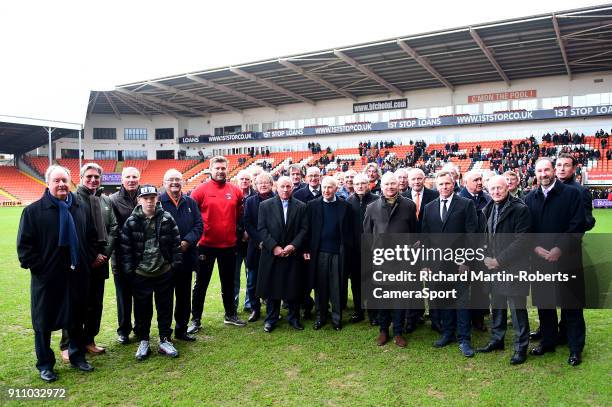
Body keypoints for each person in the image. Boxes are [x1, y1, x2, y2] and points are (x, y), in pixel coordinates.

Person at [17, 165, 96, 382]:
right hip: (47, 279)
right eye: (57, 181)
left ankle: (77, 356)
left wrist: (85, 263)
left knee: (76, 318)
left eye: (65, 180)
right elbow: (25, 248)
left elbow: (89, 237)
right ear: (48, 183)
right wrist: (42, 269)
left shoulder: (79, 207)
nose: (61, 184)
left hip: (76, 276)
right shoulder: (33, 212)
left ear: (71, 182)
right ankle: (45, 365)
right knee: (43, 323)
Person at [525, 157, 586, 366]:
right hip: (540, 260)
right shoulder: (529, 197)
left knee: (572, 306)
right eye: (539, 171)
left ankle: (575, 348)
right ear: (535, 173)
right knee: (545, 304)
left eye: (547, 170)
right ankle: (548, 342)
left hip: (568, 259)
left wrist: (559, 248)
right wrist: (535, 248)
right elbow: (526, 230)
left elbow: (578, 225)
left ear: (553, 171)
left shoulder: (572, 194)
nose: (544, 174)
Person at [59, 163, 118, 362]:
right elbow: (74, 233)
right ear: (81, 177)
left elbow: (113, 229)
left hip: (100, 263)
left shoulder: (105, 201)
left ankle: (89, 340)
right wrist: (91, 256)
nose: (93, 180)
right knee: (76, 305)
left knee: (95, 304)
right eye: (89, 176)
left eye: (96, 177)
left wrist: (105, 254)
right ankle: (68, 344)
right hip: (82, 262)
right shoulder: (73, 200)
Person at [120, 185, 182, 360]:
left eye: (152, 198)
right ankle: (144, 340)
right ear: (139, 200)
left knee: (165, 307)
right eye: (145, 198)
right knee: (142, 310)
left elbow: (175, 244)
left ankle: (164, 339)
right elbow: (126, 249)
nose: (149, 201)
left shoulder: (167, 218)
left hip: (164, 272)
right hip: (142, 274)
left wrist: (174, 266)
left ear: (157, 199)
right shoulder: (132, 221)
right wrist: (130, 272)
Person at [421, 171, 478, 357]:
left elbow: (472, 235)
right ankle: (448, 333)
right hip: (437, 264)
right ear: (436, 186)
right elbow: (425, 238)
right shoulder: (429, 207)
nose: (444, 187)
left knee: (461, 302)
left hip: (459, 263)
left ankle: (464, 339)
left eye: (447, 183)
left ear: (453, 184)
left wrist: (466, 260)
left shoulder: (466, 204)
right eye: (441, 184)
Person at [477, 175, 531, 365]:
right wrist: (485, 256)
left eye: (499, 188)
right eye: (492, 189)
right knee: (497, 307)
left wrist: (498, 261)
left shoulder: (519, 209)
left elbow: (522, 241)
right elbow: (485, 238)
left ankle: (520, 348)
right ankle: (497, 340)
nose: (496, 192)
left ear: (507, 187)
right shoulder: (488, 208)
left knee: (517, 311)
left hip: (513, 268)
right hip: (493, 268)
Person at [188, 156, 246, 333]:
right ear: (210, 169)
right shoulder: (199, 191)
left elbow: (238, 217)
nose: (220, 171)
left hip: (229, 245)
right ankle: (195, 319)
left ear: (227, 169)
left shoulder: (236, 191)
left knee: (228, 283)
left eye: (223, 168)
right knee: (201, 284)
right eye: (217, 168)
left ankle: (230, 315)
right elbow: (192, 217)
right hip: (205, 245)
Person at [363, 172, 417, 348]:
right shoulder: (371, 207)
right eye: (387, 184)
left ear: (398, 185)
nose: (390, 187)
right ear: (381, 185)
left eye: (393, 183)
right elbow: (367, 235)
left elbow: (415, 232)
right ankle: (383, 330)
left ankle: (399, 332)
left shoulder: (409, 205)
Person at [256, 176, 308, 332]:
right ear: (276, 187)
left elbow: (304, 229)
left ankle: (294, 318)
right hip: (272, 254)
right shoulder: (264, 206)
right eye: (282, 187)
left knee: (293, 286)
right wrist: (274, 247)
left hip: (292, 253)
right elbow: (262, 229)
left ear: (292, 188)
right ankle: (271, 319)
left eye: (288, 186)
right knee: (273, 287)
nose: (285, 190)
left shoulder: (301, 206)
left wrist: (293, 245)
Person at [304, 176, 353, 331]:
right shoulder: (312, 205)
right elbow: (307, 230)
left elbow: (348, 232)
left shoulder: (345, 206)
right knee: (320, 287)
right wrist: (306, 250)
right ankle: (321, 317)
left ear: (336, 189)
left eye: (330, 187)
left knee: (337, 287)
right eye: (324, 187)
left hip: (338, 253)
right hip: (319, 253)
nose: (326, 190)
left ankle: (336, 318)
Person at [159, 169, 203, 342]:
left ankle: (181, 329)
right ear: (164, 182)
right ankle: (165, 333)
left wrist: (186, 242)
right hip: (166, 260)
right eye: (171, 180)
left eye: (178, 179)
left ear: (183, 182)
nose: (175, 183)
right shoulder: (158, 203)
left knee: (184, 296)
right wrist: (172, 246)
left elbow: (199, 226)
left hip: (186, 257)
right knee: (166, 298)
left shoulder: (190, 202)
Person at [402, 167, 439, 332]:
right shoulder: (401, 198)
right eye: (413, 179)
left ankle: (435, 317)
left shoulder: (435, 196)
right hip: (409, 249)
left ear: (424, 179)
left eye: (419, 179)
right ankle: (413, 317)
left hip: (429, 247)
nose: (416, 182)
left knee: (432, 283)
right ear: (408, 181)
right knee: (411, 284)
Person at [110, 166, 141, 344]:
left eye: (134, 176)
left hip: (141, 257)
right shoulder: (113, 200)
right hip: (121, 257)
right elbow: (113, 229)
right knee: (123, 296)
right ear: (122, 180)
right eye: (128, 176)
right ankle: (123, 330)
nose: (131, 180)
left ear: (139, 178)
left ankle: (139, 327)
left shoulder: (145, 196)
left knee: (141, 295)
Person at [458, 170, 491, 332]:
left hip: (482, 252)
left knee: (480, 287)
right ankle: (462, 320)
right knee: (462, 288)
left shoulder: (487, 199)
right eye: (476, 180)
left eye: (481, 179)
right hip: (463, 252)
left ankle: (478, 318)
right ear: (465, 182)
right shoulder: (458, 199)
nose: (480, 182)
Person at [346, 173, 379, 324]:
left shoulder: (376, 200)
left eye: (363, 184)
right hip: (353, 251)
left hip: (371, 249)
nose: (360, 186)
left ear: (368, 185)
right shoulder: (348, 201)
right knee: (356, 281)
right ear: (353, 185)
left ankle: (373, 313)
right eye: (357, 184)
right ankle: (359, 311)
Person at [244, 172, 276, 322]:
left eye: (266, 182)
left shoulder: (278, 199)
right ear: (255, 185)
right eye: (260, 183)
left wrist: (269, 243)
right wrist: (260, 241)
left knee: (271, 281)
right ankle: (255, 309)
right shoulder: (250, 201)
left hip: (273, 247)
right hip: (255, 247)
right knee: (252, 282)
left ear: (271, 184)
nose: (263, 185)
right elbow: (248, 223)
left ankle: (272, 311)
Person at [234, 170, 256, 313]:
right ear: (237, 180)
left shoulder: (255, 196)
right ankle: (233, 304)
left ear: (251, 181)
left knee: (251, 275)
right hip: (235, 241)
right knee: (234, 276)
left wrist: (249, 232)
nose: (244, 181)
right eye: (241, 179)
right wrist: (240, 232)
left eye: (247, 179)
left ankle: (249, 303)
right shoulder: (232, 195)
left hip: (251, 242)